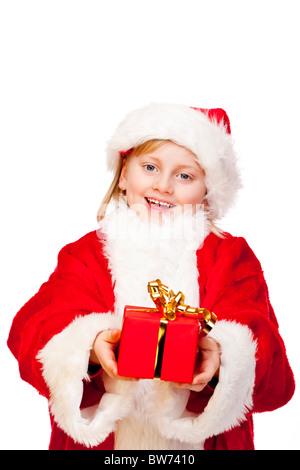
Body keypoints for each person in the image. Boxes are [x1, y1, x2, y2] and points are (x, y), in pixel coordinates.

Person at [7, 103, 295, 450]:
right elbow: (36, 330)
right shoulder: (85, 254)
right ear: (124, 176)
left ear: (208, 193)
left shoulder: (230, 257)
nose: (163, 185)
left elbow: (269, 364)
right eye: (150, 167)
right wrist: (92, 349)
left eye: (184, 175)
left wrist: (220, 358)